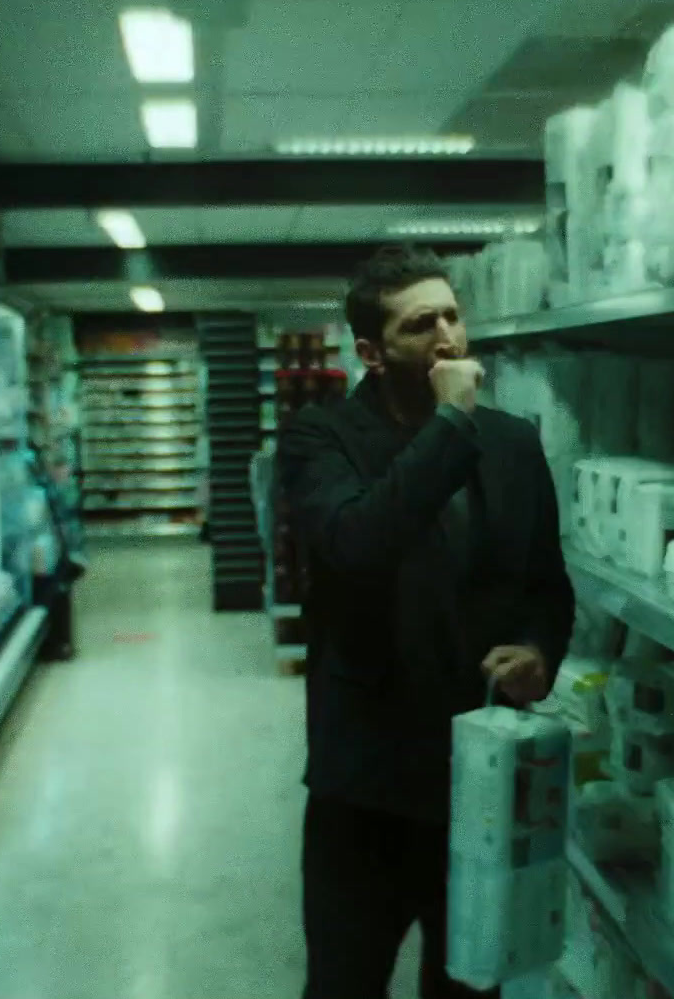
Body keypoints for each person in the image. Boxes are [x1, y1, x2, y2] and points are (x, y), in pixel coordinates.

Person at [278, 246, 574, 999]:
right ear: (372, 353)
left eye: (453, 314)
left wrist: (542, 650)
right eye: (421, 325)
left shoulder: (512, 441)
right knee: (345, 984)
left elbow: (545, 581)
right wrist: (450, 422)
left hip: (480, 777)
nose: (448, 335)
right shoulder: (323, 440)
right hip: (367, 789)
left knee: (471, 982)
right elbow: (358, 546)